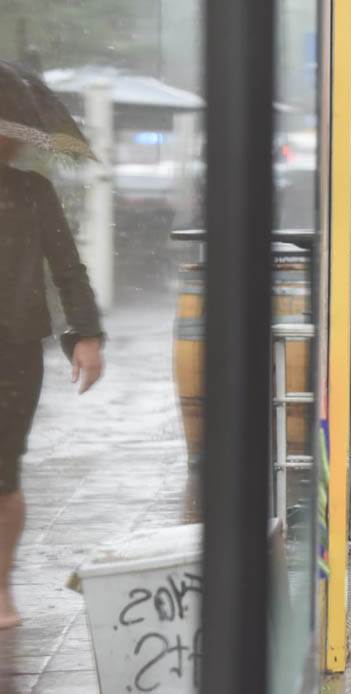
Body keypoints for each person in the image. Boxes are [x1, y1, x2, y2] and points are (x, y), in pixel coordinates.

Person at [0, 135, 104, 629]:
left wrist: (86, 333)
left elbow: (67, 266)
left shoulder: (32, 191)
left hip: (14, 350)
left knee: (3, 472)